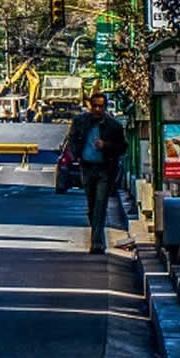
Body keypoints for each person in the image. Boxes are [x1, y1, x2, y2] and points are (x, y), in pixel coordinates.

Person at [62, 90, 126, 253]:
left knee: (100, 205)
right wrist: (76, 155)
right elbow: (72, 139)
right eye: (95, 106)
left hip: (105, 169)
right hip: (87, 167)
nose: (98, 109)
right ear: (90, 106)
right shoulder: (81, 122)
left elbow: (122, 147)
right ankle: (97, 236)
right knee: (92, 206)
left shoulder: (114, 126)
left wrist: (106, 146)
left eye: (101, 106)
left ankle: (97, 243)